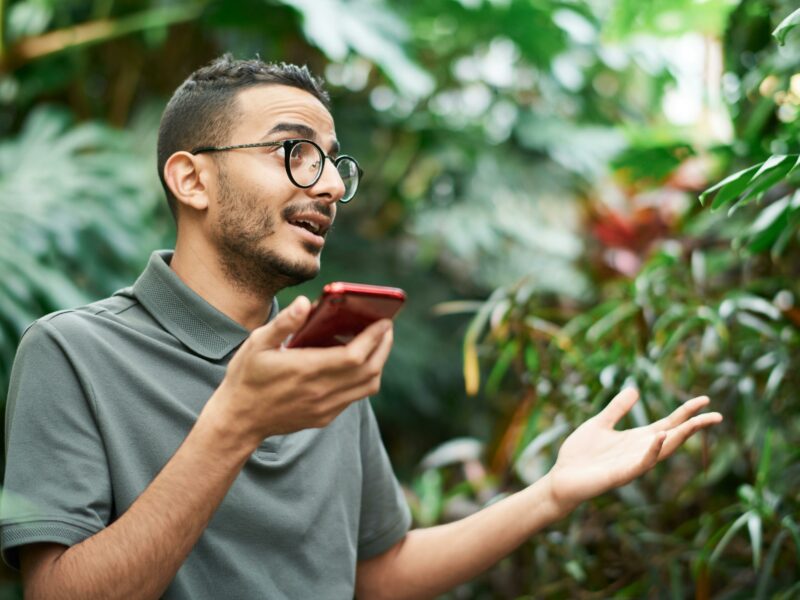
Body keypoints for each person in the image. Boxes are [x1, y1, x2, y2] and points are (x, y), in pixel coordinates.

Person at [0, 55, 722, 599]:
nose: (333, 185)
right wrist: (235, 424)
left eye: (334, 161)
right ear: (192, 180)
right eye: (294, 152)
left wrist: (553, 494)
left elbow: (375, 572)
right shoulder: (71, 353)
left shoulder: (323, 360)